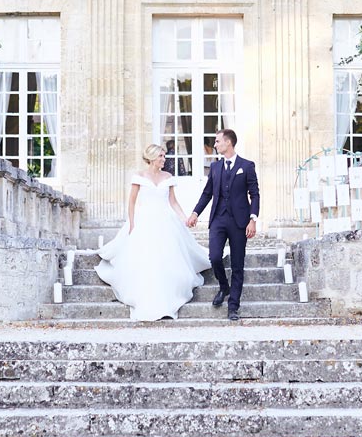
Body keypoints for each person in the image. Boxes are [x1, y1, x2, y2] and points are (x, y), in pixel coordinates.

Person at [96, 144, 211, 321]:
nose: (164, 159)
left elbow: (173, 202)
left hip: (166, 220)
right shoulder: (139, 177)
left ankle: (168, 295)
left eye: (164, 156)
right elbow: (132, 203)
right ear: (151, 158)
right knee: (147, 258)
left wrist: (185, 218)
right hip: (145, 220)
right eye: (161, 157)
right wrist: (133, 224)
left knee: (166, 257)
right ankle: (147, 297)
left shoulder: (168, 177)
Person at [186, 129, 260, 320]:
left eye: (218, 141)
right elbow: (207, 193)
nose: (215, 144)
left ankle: (233, 306)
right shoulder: (215, 167)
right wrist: (195, 213)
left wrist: (253, 219)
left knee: (237, 265)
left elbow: (255, 194)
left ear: (228, 143)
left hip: (240, 222)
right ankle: (223, 286)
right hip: (218, 219)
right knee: (215, 257)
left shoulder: (247, 166)